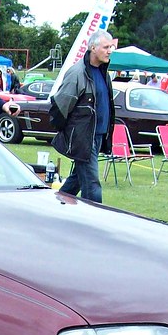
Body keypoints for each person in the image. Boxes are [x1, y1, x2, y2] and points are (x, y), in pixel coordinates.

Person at [50, 29, 115, 204]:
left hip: (99, 134)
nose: (110, 51)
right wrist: (69, 132)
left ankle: (55, 205)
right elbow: (61, 105)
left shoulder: (103, 72)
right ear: (93, 48)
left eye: (111, 47)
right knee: (92, 184)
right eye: (106, 47)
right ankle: (95, 221)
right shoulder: (77, 72)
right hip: (83, 137)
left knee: (78, 178)